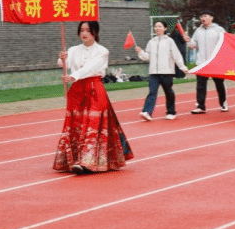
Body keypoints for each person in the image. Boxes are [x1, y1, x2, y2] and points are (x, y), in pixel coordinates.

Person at [54, 21, 133, 174]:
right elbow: (63, 64)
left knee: (93, 124)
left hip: (94, 89)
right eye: (82, 30)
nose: (84, 33)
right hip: (77, 91)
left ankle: (87, 161)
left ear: (95, 32)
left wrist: (74, 76)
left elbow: (91, 67)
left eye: (88, 30)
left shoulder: (102, 51)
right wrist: (62, 58)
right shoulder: (73, 50)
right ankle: (73, 160)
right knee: (76, 124)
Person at [135, 21, 188, 121]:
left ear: (165, 28)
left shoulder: (170, 41)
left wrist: (183, 67)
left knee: (168, 92)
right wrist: (140, 52)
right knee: (152, 92)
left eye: (160, 26)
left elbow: (176, 56)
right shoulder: (151, 42)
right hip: (153, 72)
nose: (157, 28)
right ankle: (147, 112)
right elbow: (147, 57)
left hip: (167, 72)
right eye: (156, 26)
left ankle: (171, 112)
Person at [185, 10, 228, 113]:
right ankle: (201, 106)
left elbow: (226, 43)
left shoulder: (219, 29)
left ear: (211, 18)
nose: (202, 18)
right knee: (200, 85)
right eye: (201, 16)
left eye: (205, 16)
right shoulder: (198, 31)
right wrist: (188, 41)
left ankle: (223, 103)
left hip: (215, 62)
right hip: (202, 62)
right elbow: (193, 45)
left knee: (219, 84)